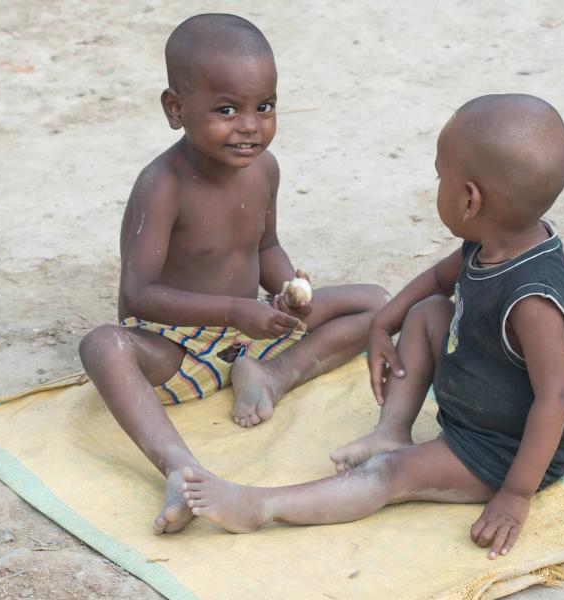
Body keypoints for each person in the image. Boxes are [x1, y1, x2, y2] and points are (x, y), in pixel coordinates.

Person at [179, 94, 564, 560]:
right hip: (484, 397)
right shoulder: (496, 240)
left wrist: (516, 495)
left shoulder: (534, 298)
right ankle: (391, 429)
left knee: (388, 475)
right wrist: (382, 324)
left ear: (470, 199)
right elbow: (438, 280)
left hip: (501, 452)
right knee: (427, 312)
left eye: (441, 177)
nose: (435, 184)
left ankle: (259, 506)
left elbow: (557, 396)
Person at [78, 13, 388, 535]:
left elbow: (265, 244)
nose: (250, 125)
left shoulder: (264, 169)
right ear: (176, 109)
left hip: (251, 340)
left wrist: (289, 292)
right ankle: (182, 470)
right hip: (177, 349)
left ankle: (274, 376)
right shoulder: (163, 184)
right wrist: (232, 311)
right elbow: (137, 296)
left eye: (264, 107)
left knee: (378, 301)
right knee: (102, 346)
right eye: (227, 109)